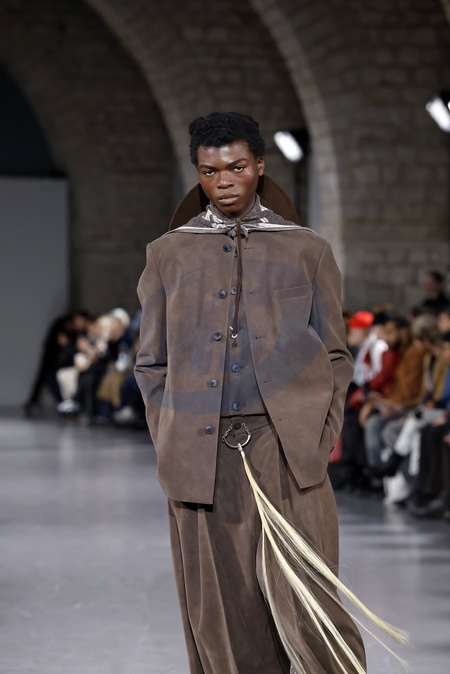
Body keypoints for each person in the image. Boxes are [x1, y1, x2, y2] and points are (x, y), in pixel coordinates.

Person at [135, 111, 368, 674]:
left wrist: (319, 436)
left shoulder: (306, 249)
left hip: (285, 449)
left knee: (311, 606)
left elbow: (335, 355)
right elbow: (151, 361)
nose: (224, 181)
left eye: (237, 167)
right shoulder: (168, 253)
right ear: (198, 174)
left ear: (259, 166)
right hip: (200, 455)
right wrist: (171, 438)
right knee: (222, 610)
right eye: (210, 171)